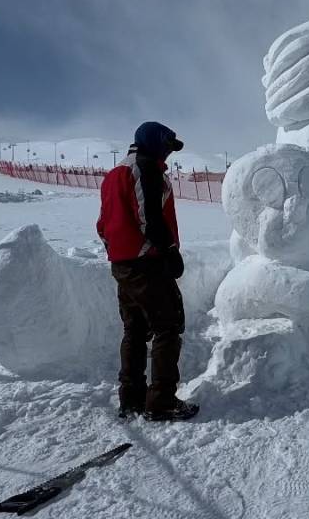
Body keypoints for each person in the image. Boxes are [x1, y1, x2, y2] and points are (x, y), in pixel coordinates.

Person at [96, 121, 198, 422]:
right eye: (167, 145)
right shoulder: (144, 169)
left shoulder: (113, 175)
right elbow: (148, 217)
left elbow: (103, 225)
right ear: (153, 142)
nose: (168, 153)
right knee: (168, 327)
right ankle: (162, 401)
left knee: (136, 330)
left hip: (123, 265)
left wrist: (117, 252)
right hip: (147, 264)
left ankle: (131, 399)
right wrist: (169, 252)